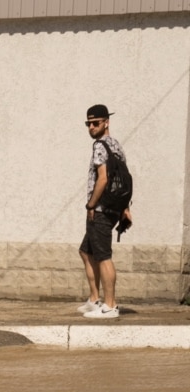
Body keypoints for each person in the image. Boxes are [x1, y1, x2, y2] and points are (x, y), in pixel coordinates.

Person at [79, 104, 130, 319]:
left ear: (106, 122)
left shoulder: (100, 145)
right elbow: (123, 178)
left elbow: (104, 179)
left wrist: (91, 205)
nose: (91, 127)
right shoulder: (116, 145)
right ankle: (94, 299)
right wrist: (125, 207)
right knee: (86, 251)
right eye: (88, 123)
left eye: (96, 123)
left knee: (103, 256)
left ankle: (110, 305)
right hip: (111, 208)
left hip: (99, 209)